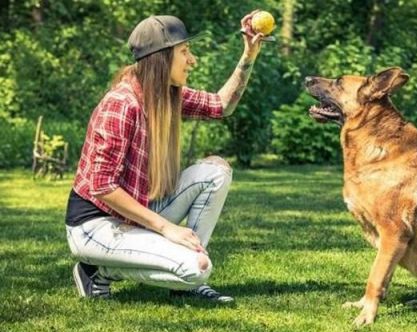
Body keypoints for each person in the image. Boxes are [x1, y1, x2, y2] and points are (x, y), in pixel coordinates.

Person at [64, 12, 266, 302]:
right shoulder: (121, 105)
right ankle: (97, 272)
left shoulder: (166, 95)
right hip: (95, 226)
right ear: (161, 58)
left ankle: (187, 276)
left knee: (216, 172)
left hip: (134, 213)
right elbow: (102, 186)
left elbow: (221, 105)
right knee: (197, 268)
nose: (192, 60)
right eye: (184, 52)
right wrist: (167, 228)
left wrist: (249, 54)